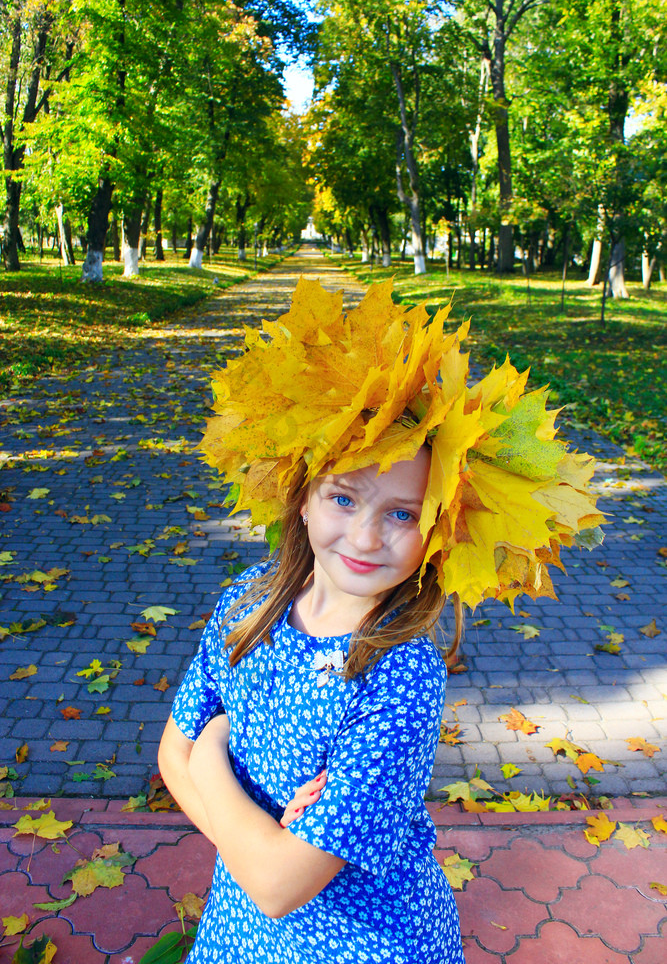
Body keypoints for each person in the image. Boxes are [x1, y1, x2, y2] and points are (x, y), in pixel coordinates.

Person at [158, 277, 602, 963]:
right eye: (343, 497)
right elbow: (168, 755)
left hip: (363, 942)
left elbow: (280, 881)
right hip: (240, 926)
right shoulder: (247, 600)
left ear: (438, 533)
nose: (365, 538)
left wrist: (214, 755)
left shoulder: (398, 675)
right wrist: (258, 842)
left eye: (402, 513)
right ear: (300, 497)